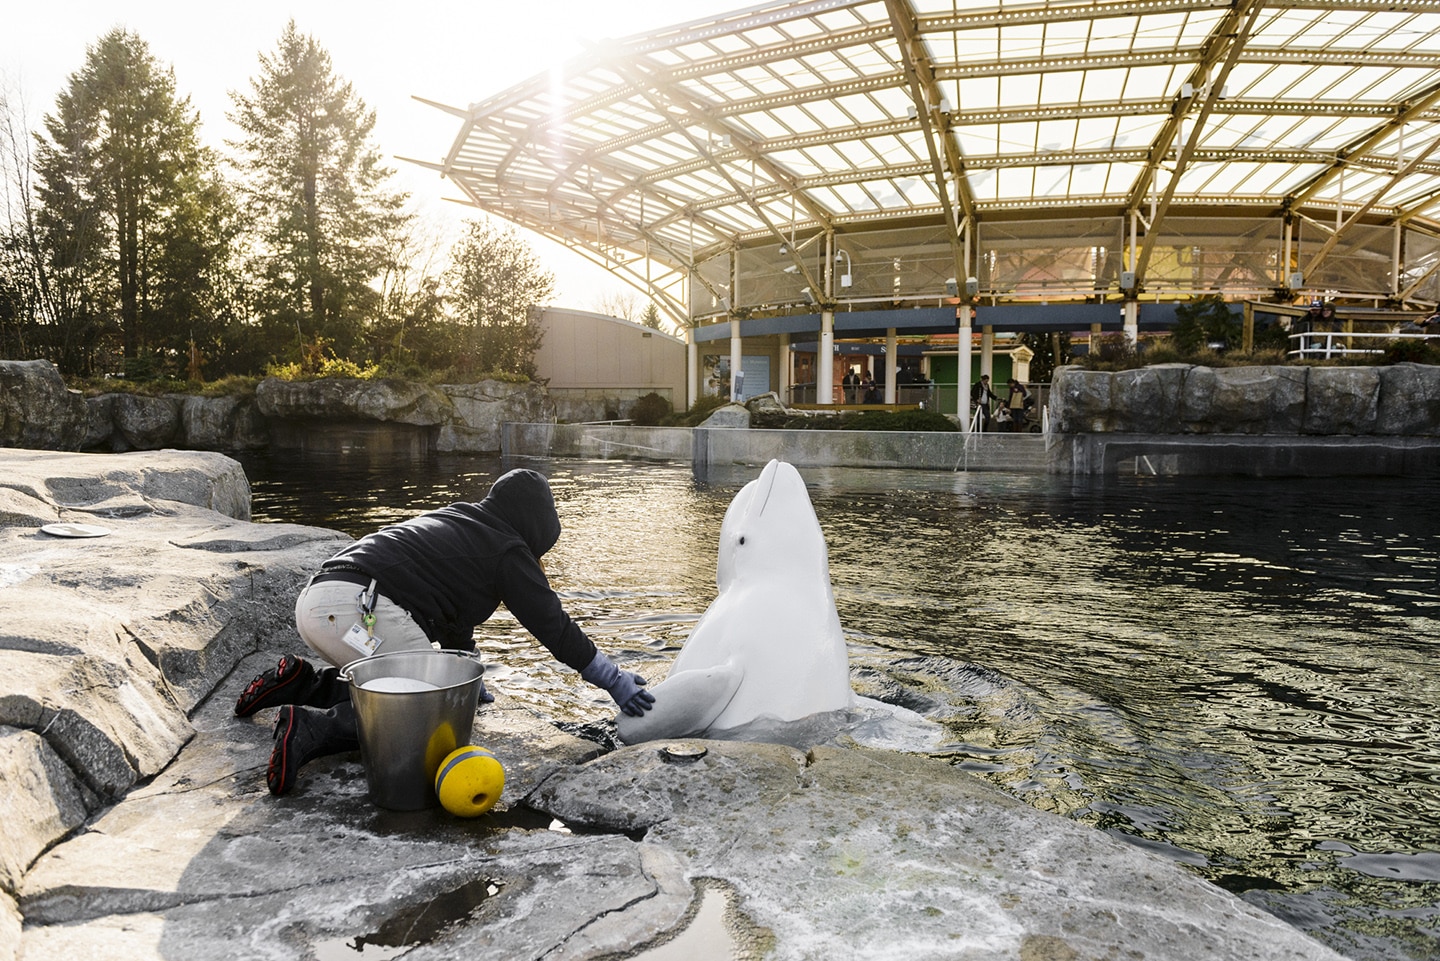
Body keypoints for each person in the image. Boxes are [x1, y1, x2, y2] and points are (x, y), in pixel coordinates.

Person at [235, 468, 655, 796]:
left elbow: (455, 625)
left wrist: (467, 679)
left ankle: (303, 683)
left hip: (322, 602)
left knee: (410, 687)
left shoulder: (462, 520)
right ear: (537, 523)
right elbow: (553, 626)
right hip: (359, 610)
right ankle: (310, 729)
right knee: (427, 714)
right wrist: (612, 679)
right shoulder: (508, 547)